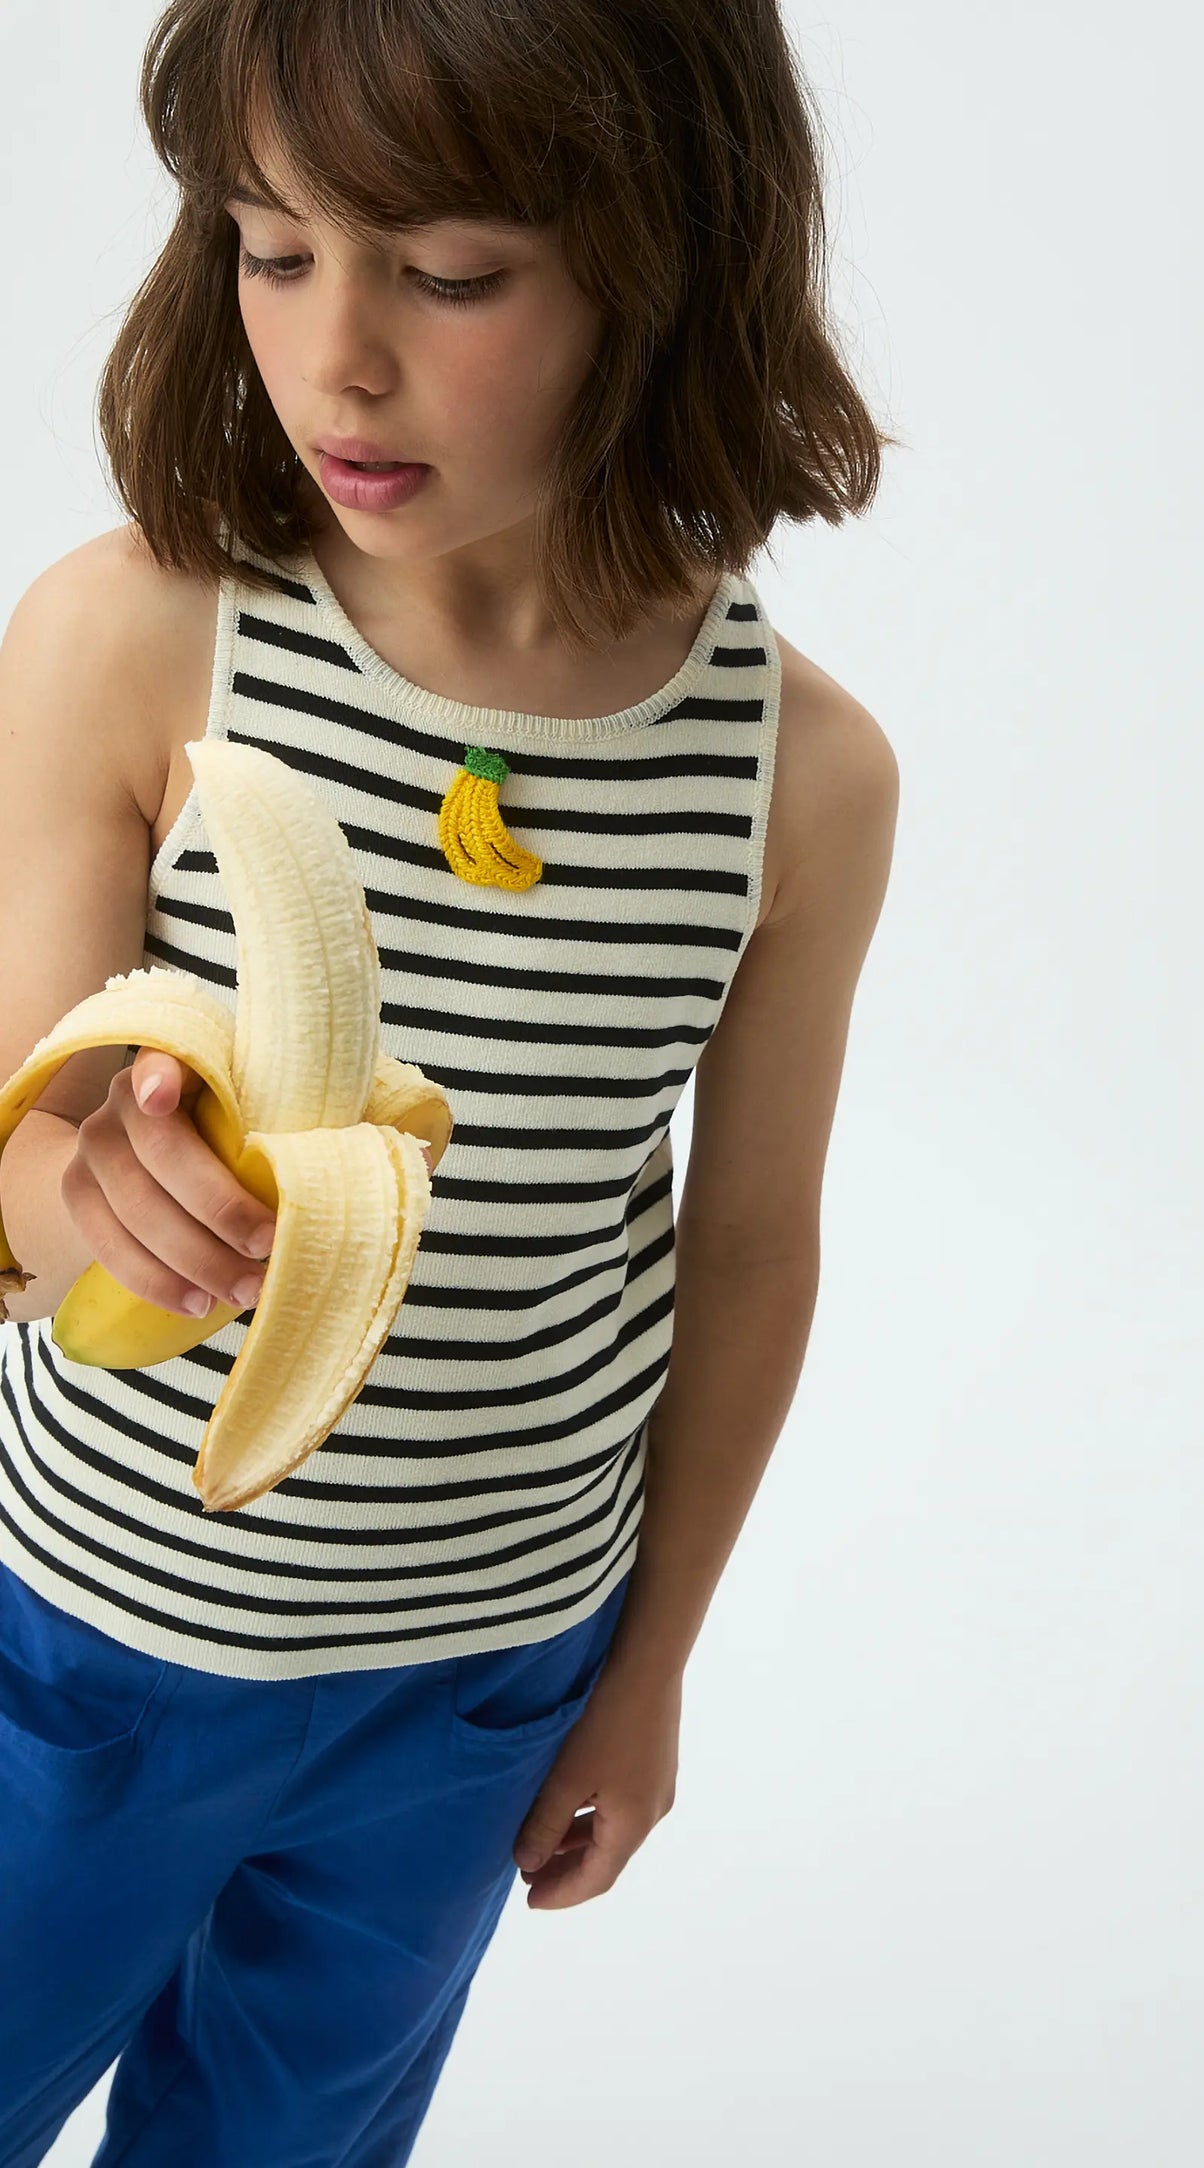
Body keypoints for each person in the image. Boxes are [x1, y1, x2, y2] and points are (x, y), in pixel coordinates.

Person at [0, 0, 900, 2159]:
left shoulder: (795, 777)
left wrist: (649, 1666)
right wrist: (83, 1201)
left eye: (450, 272)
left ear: (661, 263)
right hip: (98, 1640)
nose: (336, 359)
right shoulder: (143, 636)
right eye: (270, 248)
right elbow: (20, 1154)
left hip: (482, 1677)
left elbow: (745, 1252)